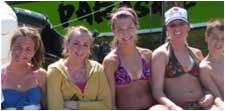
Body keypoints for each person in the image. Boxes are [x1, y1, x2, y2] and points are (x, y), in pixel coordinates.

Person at [151, 6, 215, 110]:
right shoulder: (161, 54)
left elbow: (206, 84)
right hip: (177, 107)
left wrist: (209, 95)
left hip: (202, 104)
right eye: (172, 25)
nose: (177, 29)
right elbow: (157, 91)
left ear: (188, 26)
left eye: (181, 24)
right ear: (166, 28)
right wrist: (173, 107)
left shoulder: (197, 53)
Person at [47, 26, 112, 110]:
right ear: (67, 44)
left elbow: (106, 106)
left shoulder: (98, 69)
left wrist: (76, 105)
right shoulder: (55, 71)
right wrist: (94, 106)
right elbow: (55, 108)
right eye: (76, 43)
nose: (80, 49)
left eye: (85, 45)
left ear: (89, 49)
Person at [102, 7, 154, 110]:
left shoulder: (147, 55)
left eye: (130, 27)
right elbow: (111, 100)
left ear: (136, 27)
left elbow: (156, 89)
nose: (125, 34)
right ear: (113, 31)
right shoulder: (111, 61)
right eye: (120, 29)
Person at [1, 26, 47, 110]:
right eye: (18, 47)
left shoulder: (41, 75)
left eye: (28, 49)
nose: (22, 52)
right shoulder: (1, 75)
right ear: (11, 46)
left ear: (34, 52)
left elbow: (46, 106)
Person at [199, 19, 224, 110]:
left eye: (223, 39)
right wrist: (222, 105)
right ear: (206, 37)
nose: (219, 42)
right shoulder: (204, 68)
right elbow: (217, 96)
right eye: (215, 37)